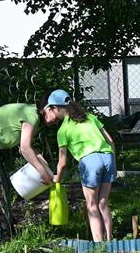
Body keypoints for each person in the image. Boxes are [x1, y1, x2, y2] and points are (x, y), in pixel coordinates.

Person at [0, 99, 57, 240]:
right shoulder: (32, 115)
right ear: (49, 108)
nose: (57, 123)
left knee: (1, 187)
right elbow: (25, 149)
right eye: (58, 116)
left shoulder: (33, 115)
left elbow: (24, 146)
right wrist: (42, 172)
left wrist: (39, 159)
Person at [48, 90, 116, 242]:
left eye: (51, 108)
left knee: (92, 205)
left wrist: (56, 179)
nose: (52, 111)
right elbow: (111, 141)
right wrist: (114, 164)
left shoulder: (62, 130)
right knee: (103, 202)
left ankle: (99, 245)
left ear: (56, 108)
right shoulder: (90, 117)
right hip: (108, 157)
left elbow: (63, 162)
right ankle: (110, 241)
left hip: (90, 161)